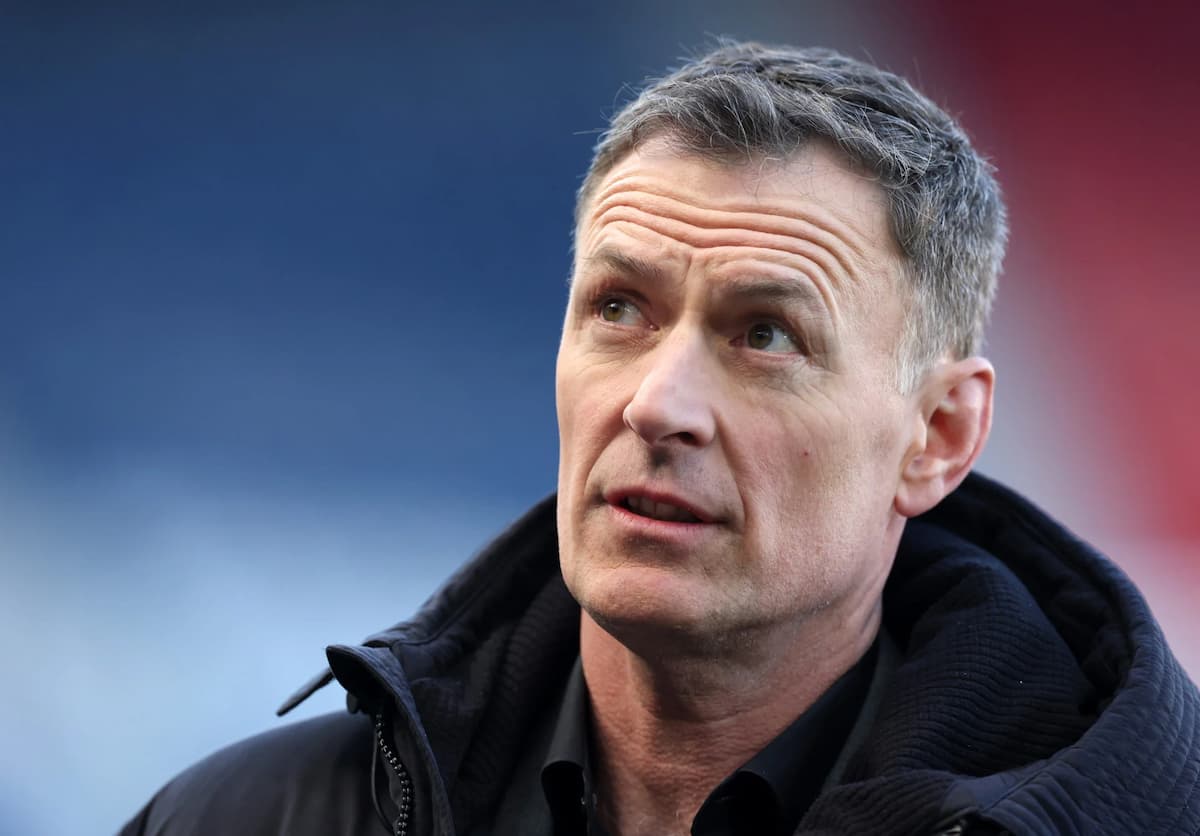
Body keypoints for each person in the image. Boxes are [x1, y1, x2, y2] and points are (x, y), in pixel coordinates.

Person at [120, 41, 1200, 836]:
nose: (655, 403)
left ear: (938, 435)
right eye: (619, 309)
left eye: (764, 334)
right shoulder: (243, 817)